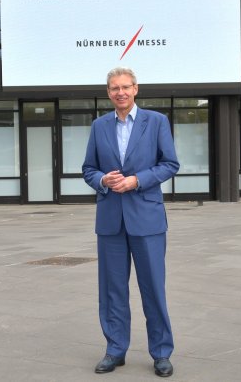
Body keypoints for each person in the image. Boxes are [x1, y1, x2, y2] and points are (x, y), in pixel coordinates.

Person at [82, 67, 180, 378]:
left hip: (147, 220)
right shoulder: (99, 126)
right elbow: (88, 169)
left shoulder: (157, 122)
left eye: (125, 87)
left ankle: (161, 352)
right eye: (114, 88)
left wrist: (137, 180)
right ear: (108, 92)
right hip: (110, 220)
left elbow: (170, 164)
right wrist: (102, 180)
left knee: (153, 288)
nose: (120, 92)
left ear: (136, 89)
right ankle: (115, 349)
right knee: (112, 290)